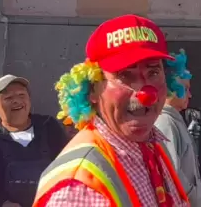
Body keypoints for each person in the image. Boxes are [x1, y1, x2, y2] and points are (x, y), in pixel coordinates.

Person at [33, 15, 190, 206]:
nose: (144, 93)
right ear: (92, 89)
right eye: (125, 75)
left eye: (154, 72)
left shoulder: (152, 145)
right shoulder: (81, 189)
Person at [0, 75, 68, 207]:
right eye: (8, 98)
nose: (16, 101)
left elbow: (69, 168)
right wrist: (1, 204)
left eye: (21, 95)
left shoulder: (49, 127)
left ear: (29, 100)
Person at [155, 51, 201, 207]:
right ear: (172, 88)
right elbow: (172, 172)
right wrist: (191, 198)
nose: (190, 95)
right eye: (186, 89)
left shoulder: (172, 118)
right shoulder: (165, 121)